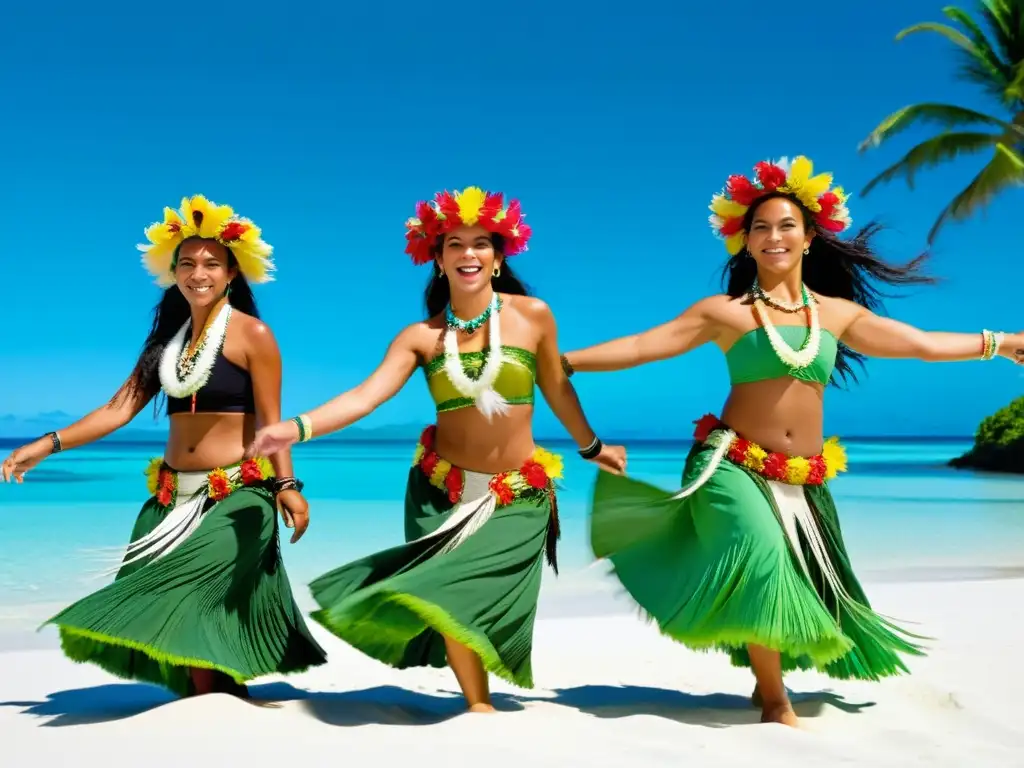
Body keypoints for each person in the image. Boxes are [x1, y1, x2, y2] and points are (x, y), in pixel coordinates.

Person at [560, 156, 1024, 728]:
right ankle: (776, 701)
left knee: (788, 575)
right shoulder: (725, 313)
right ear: (745, 244)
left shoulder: (837, 314)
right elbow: (639, 346)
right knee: (760, 557)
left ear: (809, 238)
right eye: (760, 228)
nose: (773, 236)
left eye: (785, 226)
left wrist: (1000, 342)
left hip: (802, 475)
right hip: (730, 463)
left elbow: (921, 344)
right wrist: (567, 362)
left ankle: (764, 681)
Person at [246, 185, 626, 713]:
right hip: (439, 492)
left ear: (497, 258)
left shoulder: (532, 316)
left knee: (469, 590)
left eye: (480, 244)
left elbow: (557, 389)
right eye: (454, 244)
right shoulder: (420, 337)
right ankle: (478, 707)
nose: (468, 254)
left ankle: (479, 699)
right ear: (438, 258)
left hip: (517, 493)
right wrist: (297, 428)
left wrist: (592, 447)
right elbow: (366, 396)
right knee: (446, 594)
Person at [1, 195, 327, 698]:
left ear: (232, 273)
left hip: (237, 497)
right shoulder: (167, 345)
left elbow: (272, 420)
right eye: (188, 263)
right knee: (194, 627)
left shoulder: (252, 334)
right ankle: (218, 709)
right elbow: (118, 408)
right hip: (171, 499)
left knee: (193, 597)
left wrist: (287, 484)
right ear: (173, 271)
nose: (199, 272)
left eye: (211, 263)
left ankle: (215, 706)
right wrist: (47, 443)